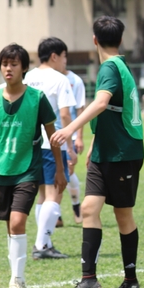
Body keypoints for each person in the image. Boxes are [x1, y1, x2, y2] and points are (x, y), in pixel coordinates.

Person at [51, 16, 144, 288]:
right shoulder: (120, 64)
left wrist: (69, 129)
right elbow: (113, 110)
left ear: (94, 40)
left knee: (122, 214)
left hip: (123, 154)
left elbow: (102, 102)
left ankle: (130, 280)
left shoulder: (110, 67)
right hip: (105, 151)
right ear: (121, 39)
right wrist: (94, 143)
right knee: (89, 209)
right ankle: (88, 280)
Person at [0, 44, 66, 288]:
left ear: (24, 68)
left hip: (28, 170)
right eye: (4, 64)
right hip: (1, 170)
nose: (8, 68)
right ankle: (17, 278)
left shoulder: (37, 98)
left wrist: (59, 170)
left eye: (14, 64)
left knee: (17, 222)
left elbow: (53, 136)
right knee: (10, 227)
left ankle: (16, 280)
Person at [24, 37, 76, 259]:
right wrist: (70, 147)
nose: (65, 62)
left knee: (43, 196)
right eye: (64, 57)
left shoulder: (28, 77)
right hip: (52, 143)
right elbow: (65, 115)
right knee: (55, 194)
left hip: (31, 144)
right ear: (54, 56)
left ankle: (45, 242)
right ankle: (42, 245)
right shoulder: (60, 79)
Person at [64, 67, 86, 224]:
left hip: (69, 135)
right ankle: (56, 214)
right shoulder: (43, 77)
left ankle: (76, 204)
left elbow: (80, 109)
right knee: (53, 176)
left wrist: (79, 137)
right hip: (47, 135)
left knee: (68, 171)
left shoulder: (75, 80)